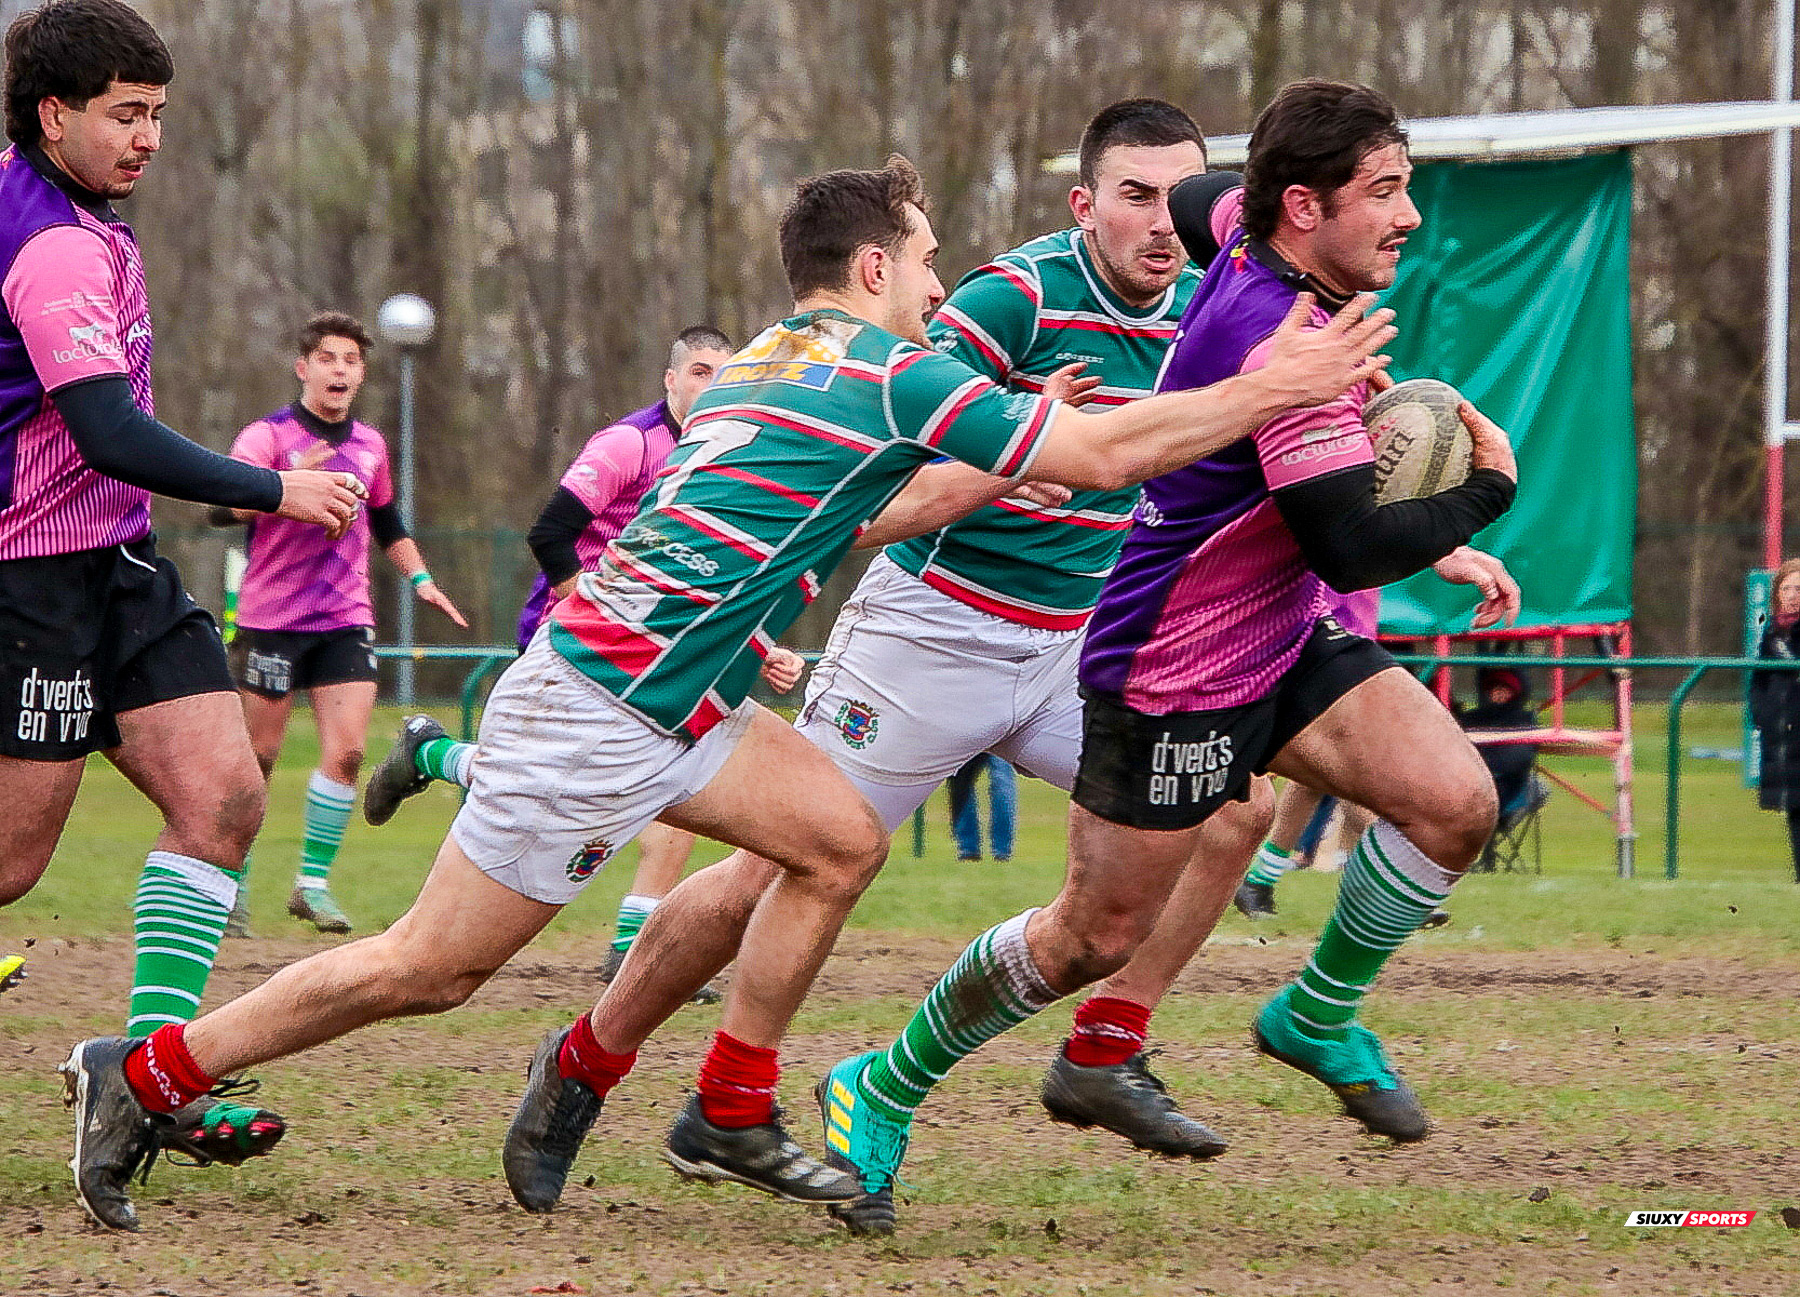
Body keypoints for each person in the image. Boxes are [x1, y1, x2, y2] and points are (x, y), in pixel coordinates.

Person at [62, 152, 1395, 1232]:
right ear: (875, 266)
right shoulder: (888, 369)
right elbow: (1105, 457)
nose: (941, 287)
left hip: (678, 697)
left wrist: (998, 457)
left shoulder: (775, 355)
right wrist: (1269, 386)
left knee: (837, 841)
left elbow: (872, 500)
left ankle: (733, 1100)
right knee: (429, 968)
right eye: (927, 261)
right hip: (600, 706)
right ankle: (146, 1073)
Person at [533, 104, 1281, 1240]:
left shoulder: (1208, 305)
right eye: (1136, 194)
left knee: (1231, 802)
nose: (1164, 223)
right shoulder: (1008, 299)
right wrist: (1005, 469)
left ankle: (1107, 1045)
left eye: (1183, 197)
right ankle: (590, 1059)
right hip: (926, 637)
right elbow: (874, 491)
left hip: (1076, 644)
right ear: (1084, 204)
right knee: (761, 877)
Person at [815, 81, 1521, 1224]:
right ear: (1305, 206)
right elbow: (1349, 545)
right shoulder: (1283, 347)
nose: (1409, 218)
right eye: (1386, 193)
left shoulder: (1238, 225)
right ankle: (879, 1083)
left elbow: (1199, 198)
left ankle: (1317, 1012)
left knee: (1454, 802)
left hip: (1280, 636)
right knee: (1091, 935)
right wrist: (1488, 488)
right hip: (1173, 664)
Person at [0, 0, 363, 1209]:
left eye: (157, 114)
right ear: (54, 113)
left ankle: (145, 1077)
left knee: (223, 797)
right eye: (124, 115)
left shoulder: (90, 218)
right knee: (10, 862)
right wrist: (275, 487)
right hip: (31, 578)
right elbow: (106, 433)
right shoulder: (46, 239)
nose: (148, 137)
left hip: (119, 568)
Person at [360, 325, 801, 999]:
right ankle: (432, 755)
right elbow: (550, 534)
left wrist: (759, 646)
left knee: (670, 775)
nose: (714, 386)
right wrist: (599, 614)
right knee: (556, 792)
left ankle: (630, 940)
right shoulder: (631, 443)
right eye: (701, 372)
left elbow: (712, 580)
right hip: (569, 643)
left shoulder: (726, 458)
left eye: (726, 373)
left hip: (653, 660)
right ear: (671, 379)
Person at [213, 312, 467, 937]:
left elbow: (386, 522)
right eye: (328, 358)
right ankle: (232, 881)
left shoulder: (372, 446)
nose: (339, 370)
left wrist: (422, 580)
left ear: (361, 375)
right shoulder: (267, 437)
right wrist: (284, 486)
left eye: (350, 361)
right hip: (272, 619)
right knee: (259, 759)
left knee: (349, 751)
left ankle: (312, 885)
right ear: (304, 368)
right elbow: (223, 507)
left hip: (344, 617)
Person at [1751, 559, 1800, 882]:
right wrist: (1765, 718)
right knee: (1795, 812)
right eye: (1786, 588)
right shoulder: (1771, 635)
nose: (1793, 595)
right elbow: (1759, 682)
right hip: (1784, 741)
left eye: (1799, 588)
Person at [947, 754, 1016, 862]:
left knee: (962, 782)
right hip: (1001, 738)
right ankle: (1002, 852)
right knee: (1001, 781)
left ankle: (968, 850)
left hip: (967, 739)